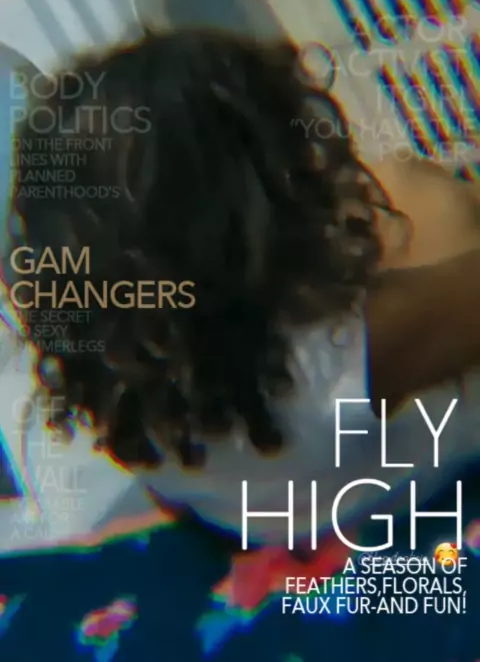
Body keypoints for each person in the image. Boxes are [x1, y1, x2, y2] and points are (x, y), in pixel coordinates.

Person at [2, 28, 480, 551]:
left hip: (300, 515)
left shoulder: (130, 397)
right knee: (418, 190)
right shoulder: (340, 356)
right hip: (423, 481)